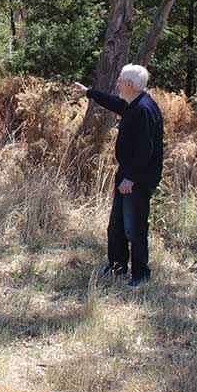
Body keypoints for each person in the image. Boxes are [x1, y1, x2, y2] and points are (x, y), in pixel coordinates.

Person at [72, 64, 164, 289]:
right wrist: (89, 92)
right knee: (117, 225)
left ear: (130, 85)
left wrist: (130, 179)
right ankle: (117, 266)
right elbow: (114, 103)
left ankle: (141, 275)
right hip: (128, 173)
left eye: (121, 80)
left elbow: (146, 150)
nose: (117, 83)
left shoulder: (144, 109)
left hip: (138, 178)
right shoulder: (133, 104)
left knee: (134, 228)